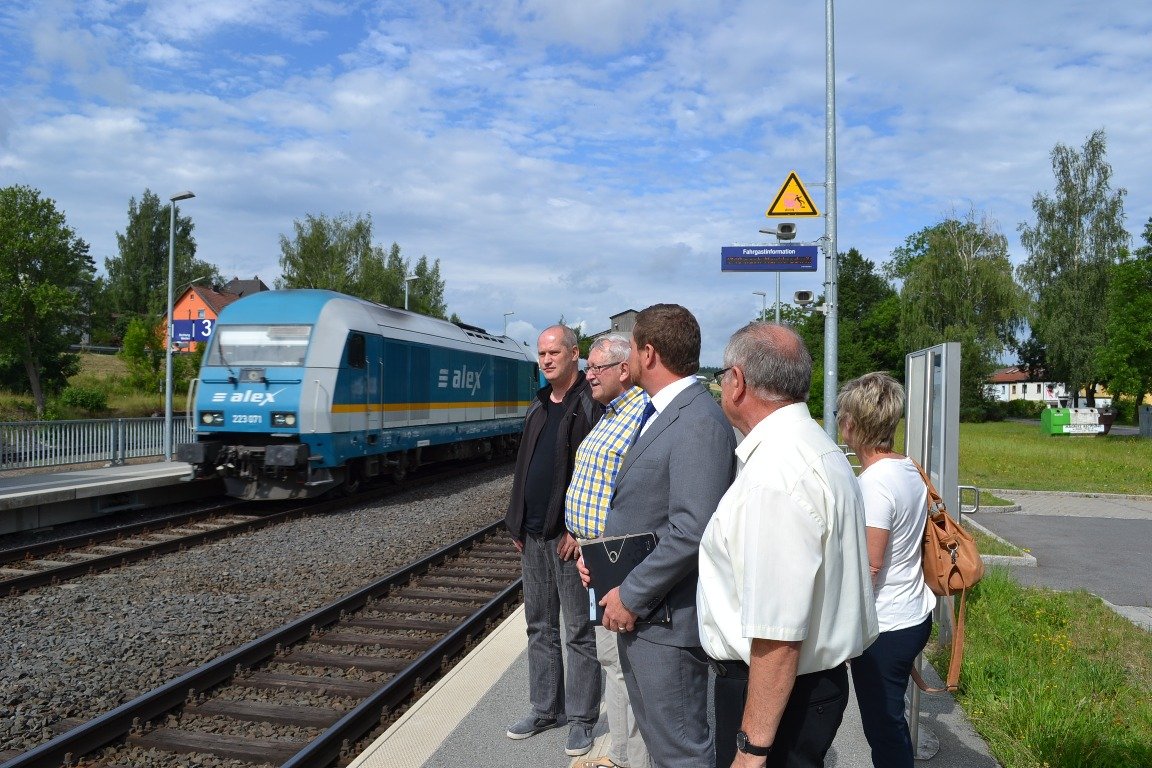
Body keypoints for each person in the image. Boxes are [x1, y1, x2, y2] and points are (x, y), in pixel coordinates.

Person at [698, 322, 878, 768]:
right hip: (810, 689)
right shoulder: (819, 447)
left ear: (736, 382)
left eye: (722, 376)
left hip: (774, 695)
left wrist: (752, 750)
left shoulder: (775, 476)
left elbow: (778, 633)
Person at [590, 303, 737, 768]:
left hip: (666, 623)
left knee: (681, 753)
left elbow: (692, 529)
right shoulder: (664, 411)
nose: (626, 356)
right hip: (650, 619)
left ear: (648, 352)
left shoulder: (696, 421)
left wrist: (630, 594)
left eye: (630, 347)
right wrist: (601, 560)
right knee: (661, 748)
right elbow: (648, 513)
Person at [505, 324, 605, 758]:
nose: (546, 360)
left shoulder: (590, 404)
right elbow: (525, 465)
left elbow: (601, 476)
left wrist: (580, 532)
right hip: (532, 535)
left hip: (569, 539)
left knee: (578, 631)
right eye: (541, 354)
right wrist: (516, 521)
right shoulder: (539, 404)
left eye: (554, 353)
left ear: (574, 355)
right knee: (538, 626)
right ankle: (546, 708)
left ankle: (582, 718)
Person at [837, 372, 937, 768]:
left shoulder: (874, 483)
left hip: (886, 627)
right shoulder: (908, 468)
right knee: (890, 721)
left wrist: (847, 630)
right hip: (913, 614)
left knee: (884, 730)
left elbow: (870, 567)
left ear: (852, 424)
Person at [564, 335, 652, 768]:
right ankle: (620, 752)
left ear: (624, 369)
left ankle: (630, 758)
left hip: (614, 557)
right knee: (608, 657)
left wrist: (598, 549)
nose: (589, 375)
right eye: (588, 367)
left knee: (621, 663)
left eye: (598, 367)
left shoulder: (640, 416)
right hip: (593, 556)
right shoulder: (609, 412)